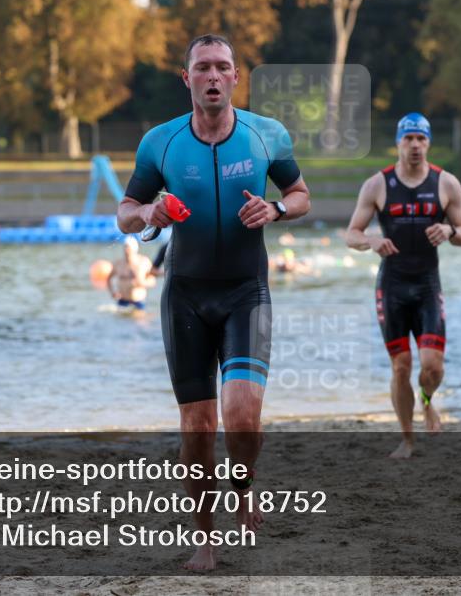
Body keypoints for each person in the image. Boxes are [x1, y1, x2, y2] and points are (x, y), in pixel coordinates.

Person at [116, 34, 310, 571]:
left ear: (235, 77)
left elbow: (301, 195)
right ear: (188, 79)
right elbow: (125, 210)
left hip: (247, 290)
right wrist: (147, 215)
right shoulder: (161, 143)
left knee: (243, 415)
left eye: (223, 67)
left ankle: (242, 484)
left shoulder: (265, 135)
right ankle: (205, 539)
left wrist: (275, 210)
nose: (213, 76)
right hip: (186, 295)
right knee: (198, 427)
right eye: (203, 68)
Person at [345, 113, 461, 459]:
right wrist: (370, 241)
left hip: (428, 285)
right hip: (393, 286)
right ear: (398, 143)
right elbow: (351, 234)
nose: (415, 145)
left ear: (428, 143)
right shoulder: (377, 185)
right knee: (401, 367)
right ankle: (408, 439)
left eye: (421, 139)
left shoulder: (446, 184)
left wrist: (449, 231)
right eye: (408, 139)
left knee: (433, 366)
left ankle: (428, 400)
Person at [106, 237, 155, 312]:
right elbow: (108, 279)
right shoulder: (118, 264)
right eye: (125, 247)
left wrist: (141, 283)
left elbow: (152, 281)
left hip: (138, 302)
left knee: (138, 321)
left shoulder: (143, 262)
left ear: (135, 249)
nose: (126, 250)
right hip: (122, 301)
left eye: (128, 248)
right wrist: (113, 292)